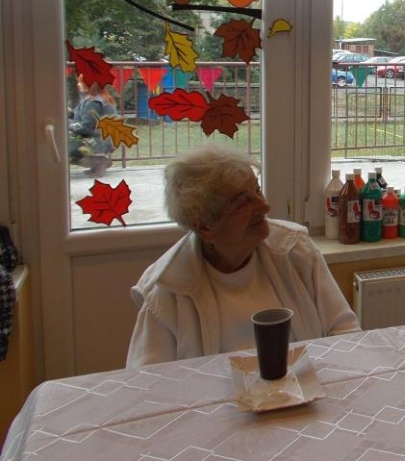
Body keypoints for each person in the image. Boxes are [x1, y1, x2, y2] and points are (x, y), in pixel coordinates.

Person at [126, 144, 360, 367]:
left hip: (303, 390)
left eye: (257, 190)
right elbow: (147, 382)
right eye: (243, 202)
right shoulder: (167, 289)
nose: (264, 206)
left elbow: (345, 332)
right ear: (205, 227)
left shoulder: (295, 250)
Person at [68, 75, 116, 177]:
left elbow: (85, 126)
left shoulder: (94, 102)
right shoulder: (94, 98)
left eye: (81, 82)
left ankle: (99, 162)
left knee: (66, 144)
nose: (78, 84)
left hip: (101, 140)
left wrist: (66, 123)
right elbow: (78, 116)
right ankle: (96, 163)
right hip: (104, 138)